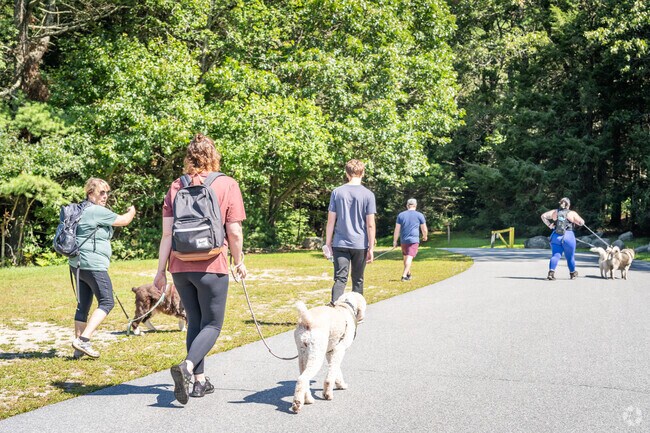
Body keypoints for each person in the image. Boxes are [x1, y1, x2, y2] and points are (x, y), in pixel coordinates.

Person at [153, 133, 246, 405]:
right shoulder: (227, 184)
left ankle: (199, 383)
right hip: (212, 263)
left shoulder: (175, 186)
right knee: (213, 324)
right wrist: (238, 262)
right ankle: (188, 367)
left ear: (188, 158)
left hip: (180, 265)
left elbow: (167, 235)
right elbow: (234, 231)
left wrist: (160, 271)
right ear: (214, 156)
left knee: (195, 320)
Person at [71, 178, 136, 359]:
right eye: (101, 192)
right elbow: (124, 220)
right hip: (93, 264)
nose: (105, 196)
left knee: (83, 305)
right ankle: (84, 340)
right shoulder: (96, 211)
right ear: (90, 193)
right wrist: (132, 211)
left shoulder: (81, 209)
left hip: (77, 264)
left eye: (107, 193)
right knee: (107, 302)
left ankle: (78, 350)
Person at [324, 159, 376, 305]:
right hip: (360, 244)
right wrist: (371, 247)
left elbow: (331, 221)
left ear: (346, 173)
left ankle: (335, 308)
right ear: (363, 173)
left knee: (340, 278)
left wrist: (328, 243)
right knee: (358, 279)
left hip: (340, 242)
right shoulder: (368, 195)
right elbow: (370, 224)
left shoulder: (337, 192)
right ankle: (357, 310)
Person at [540, 197, 585, 280]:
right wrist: (577, 221)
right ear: (569, 205)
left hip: (556, 236)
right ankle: (572, 273)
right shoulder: (572, 213)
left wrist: (549, 225)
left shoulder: (555, 212)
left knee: (555, 255)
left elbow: (543, 216)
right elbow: (581, 222)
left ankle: (551, 273)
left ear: (560, 203)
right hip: (568, 236)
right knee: (570, 257)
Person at [393, 198, 428, 282]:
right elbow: (424, 228)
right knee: (409, 257)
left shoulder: (401, 215)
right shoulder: (419, 215)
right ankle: (404, 276)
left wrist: (395, 241)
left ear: (407, 206)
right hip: (413, 239)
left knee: (405, 257)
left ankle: (408, 273)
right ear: (415, 206)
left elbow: (397, 229)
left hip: (403, 240)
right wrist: (425, 236)